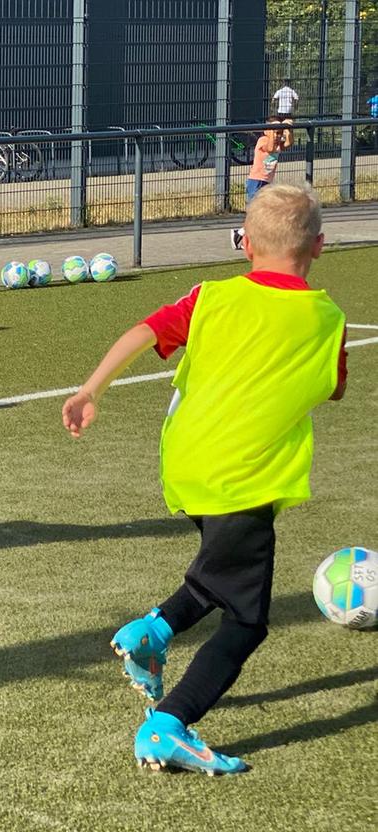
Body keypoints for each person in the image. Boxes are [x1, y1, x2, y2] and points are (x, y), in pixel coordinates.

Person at [62, 183, 349, 775]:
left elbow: (144, 330)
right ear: (319, 246)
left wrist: (91, 388)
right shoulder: (326, 318)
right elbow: (334, 386)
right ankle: (170, 725)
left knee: (219, 570)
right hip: (245, 478)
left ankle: (152, 630)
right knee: (246, 620)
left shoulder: (211, 296)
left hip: (188, 465)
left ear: (246, 246)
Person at [230, 116, 293, 251]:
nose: (278, 135)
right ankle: (239, 234)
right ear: (268, 131)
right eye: (276, 132)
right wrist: (272, 130)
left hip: (266, 182)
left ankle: (242, 234)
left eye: (279, 133)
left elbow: (288, 144)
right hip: (256, 181)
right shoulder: (263, 141)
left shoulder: (277, 143)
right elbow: (269, 148)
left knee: (267, 212)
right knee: (257, 213)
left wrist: (288, 130)